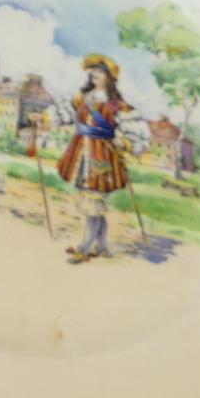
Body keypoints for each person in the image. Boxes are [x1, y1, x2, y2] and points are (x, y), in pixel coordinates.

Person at [55, 54, 133, 264]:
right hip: (81, 155)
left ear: (110, 77)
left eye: (100, 72)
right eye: (93, 71)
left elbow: (131, 131)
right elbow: (62, 113)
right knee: (94, 207)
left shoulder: (117, 105)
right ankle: (102, 247)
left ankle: (83, 249)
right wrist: (42, 117)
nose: (95, 75)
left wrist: (123, 141)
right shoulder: (83, 98)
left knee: (93, 206)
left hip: (102, 158)